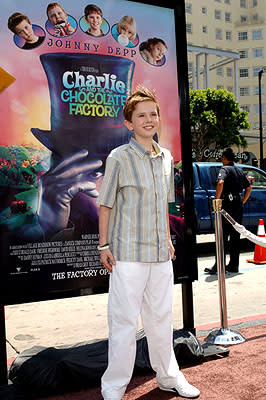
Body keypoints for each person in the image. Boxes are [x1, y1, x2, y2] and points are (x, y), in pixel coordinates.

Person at [97, 86, 200, 399]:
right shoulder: (119, 157)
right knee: (124, 323)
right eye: (141, 115)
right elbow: (106, 204)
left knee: (161, 319)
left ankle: (168, 376)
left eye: (153, 113)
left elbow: (162, 206)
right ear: (129, 123)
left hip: (159, 255)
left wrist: (168, 238)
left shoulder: (167, 158)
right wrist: (103, 245)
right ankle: (113, 387)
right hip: (127, 254)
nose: (148, 119)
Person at [204, 148, 252, 275]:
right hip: (237, 204)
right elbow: (249, 187)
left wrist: (217, 199)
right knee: (235, 235)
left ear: (224, 158)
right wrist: (243, 201)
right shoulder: (239, 170)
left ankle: (219, 266)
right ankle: (234, 265)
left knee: (222, 236)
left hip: (227, 205)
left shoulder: (225, 169)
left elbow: (220, 183)